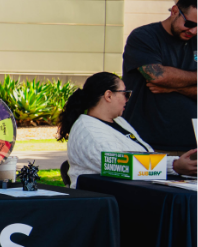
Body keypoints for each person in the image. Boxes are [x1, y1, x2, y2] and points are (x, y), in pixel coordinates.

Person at [57, 72, 198, 185]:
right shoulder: (88, 132)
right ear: (108, 95)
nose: (127, 99)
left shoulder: (119, 121)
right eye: (126, 94)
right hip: (105, 203)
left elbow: (144, 156)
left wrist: (177, 164)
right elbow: (120, 165)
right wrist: (174, 165)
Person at [121, 0, 197, 153]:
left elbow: (166, 80)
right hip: (146, 144)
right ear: (175, 11)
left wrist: (176, 87)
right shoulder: (144, 36)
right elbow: (157, 76)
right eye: (190, 24)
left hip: (192, 147)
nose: (193, 31)